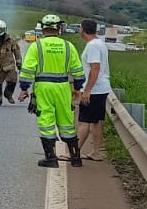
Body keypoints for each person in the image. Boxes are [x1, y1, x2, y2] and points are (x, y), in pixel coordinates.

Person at [17, 15, 86, 167]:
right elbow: (78, 70)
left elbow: (28, 70)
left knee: (46, 120)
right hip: (62, 87)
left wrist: (24, 89)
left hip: (43, 88)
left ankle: (51, 158)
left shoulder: (37, 46)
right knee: (67, 121)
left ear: (43, 28)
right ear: (59, 28)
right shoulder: (68, 46)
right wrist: (77, 88)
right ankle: (76, 159)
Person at [77, 18, 111, 160]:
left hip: (94, 89)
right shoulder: (100, 43)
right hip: (102, 87)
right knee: (96, 121)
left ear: (82, 30)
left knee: (84, 121)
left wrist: (87, 90)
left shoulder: (92, 46)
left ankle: (74, 152)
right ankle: (95, 152)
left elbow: (95, 67)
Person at [0, 19, 19, 107]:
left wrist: (19, 64)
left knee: (13, 81)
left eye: (0, 29)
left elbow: (17, 52)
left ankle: (8, 94)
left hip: (9, 65)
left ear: (4, 29)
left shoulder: (11, 41)